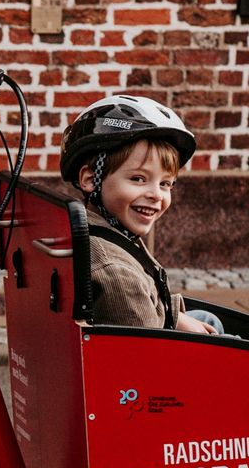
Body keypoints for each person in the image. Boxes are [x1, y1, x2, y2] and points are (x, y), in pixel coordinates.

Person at [59, 93, 219, 335]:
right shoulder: (116, 272)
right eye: (138, 179)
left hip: (150, 322)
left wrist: (175, 317)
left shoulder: (100, 230)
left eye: (166, 183)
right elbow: (149, 351)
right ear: (91, 179)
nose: (156, 194)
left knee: (206, 319)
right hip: (151, 361)